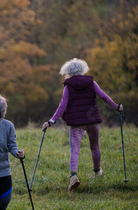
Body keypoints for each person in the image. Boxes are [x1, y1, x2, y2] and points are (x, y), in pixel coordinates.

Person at [42, 58, 123, 192]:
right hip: (92, 120)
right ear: (82, 69)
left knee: (75, 149)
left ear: (68, 71)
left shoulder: (68, 86)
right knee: (94, 147)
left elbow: (63, 105)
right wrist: (116, 106)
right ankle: (97, 171)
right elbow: (103, 96)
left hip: (77, 122)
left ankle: (73, 176)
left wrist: (51, 121)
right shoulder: (91, 82)